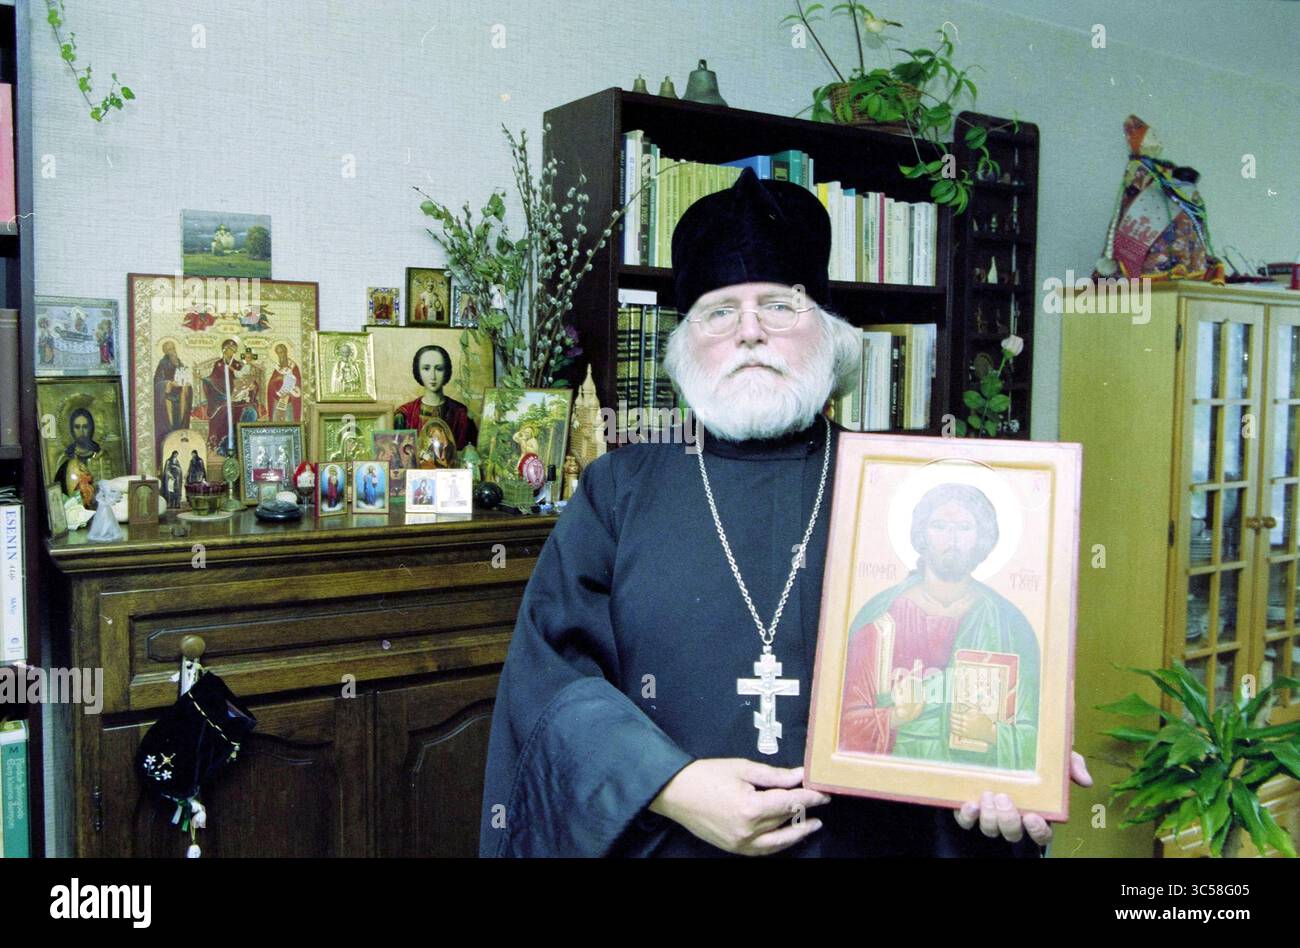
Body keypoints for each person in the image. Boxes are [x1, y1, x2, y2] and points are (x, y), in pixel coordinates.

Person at [480, 168, 1089, 858]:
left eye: (778, 306)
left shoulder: (909, 486)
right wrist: (671, 786)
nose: (749, 333)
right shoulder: (616, 491)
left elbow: (976, 674)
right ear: (683, 350)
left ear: (829, 334)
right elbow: (552, 683)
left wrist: (1008, 767)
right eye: (718, 311)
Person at [838, 484, 1039, 767]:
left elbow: (1038, 736)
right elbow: (840, 727)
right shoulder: (881, 619)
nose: (952, 539)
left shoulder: (1007, 623)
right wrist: (896, 716)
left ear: (982, 537)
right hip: (891, 784)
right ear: (922, 533)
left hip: (973, 786)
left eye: (964, 527)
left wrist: (992, 733)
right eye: (940, 526)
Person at [393, 345, 478, 451]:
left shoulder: (461, 414)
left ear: (446, 371)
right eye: (426, 368)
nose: (432, 376)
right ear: (418, 371)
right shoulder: (404, 415)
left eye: (439, 369)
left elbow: (469, 457)